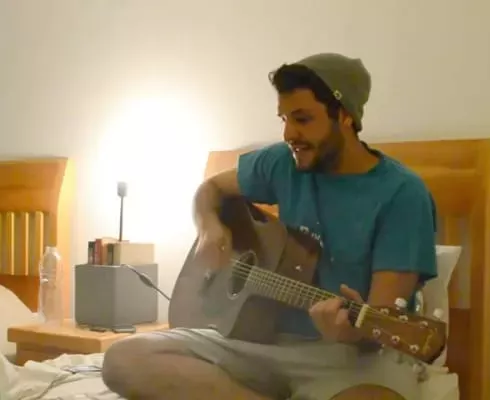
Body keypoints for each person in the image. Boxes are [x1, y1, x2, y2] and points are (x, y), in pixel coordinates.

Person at [101, 52, 438, 400]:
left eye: (303, 119)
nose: (289, 133)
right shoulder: (282, 162)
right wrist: (209, 227)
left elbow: (379, 322)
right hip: (256, 344)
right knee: (123, 359)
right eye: (284, 119)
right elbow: (210, 190)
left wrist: (349, 332)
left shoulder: (402, 194)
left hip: (346, 358)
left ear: (345, 115)